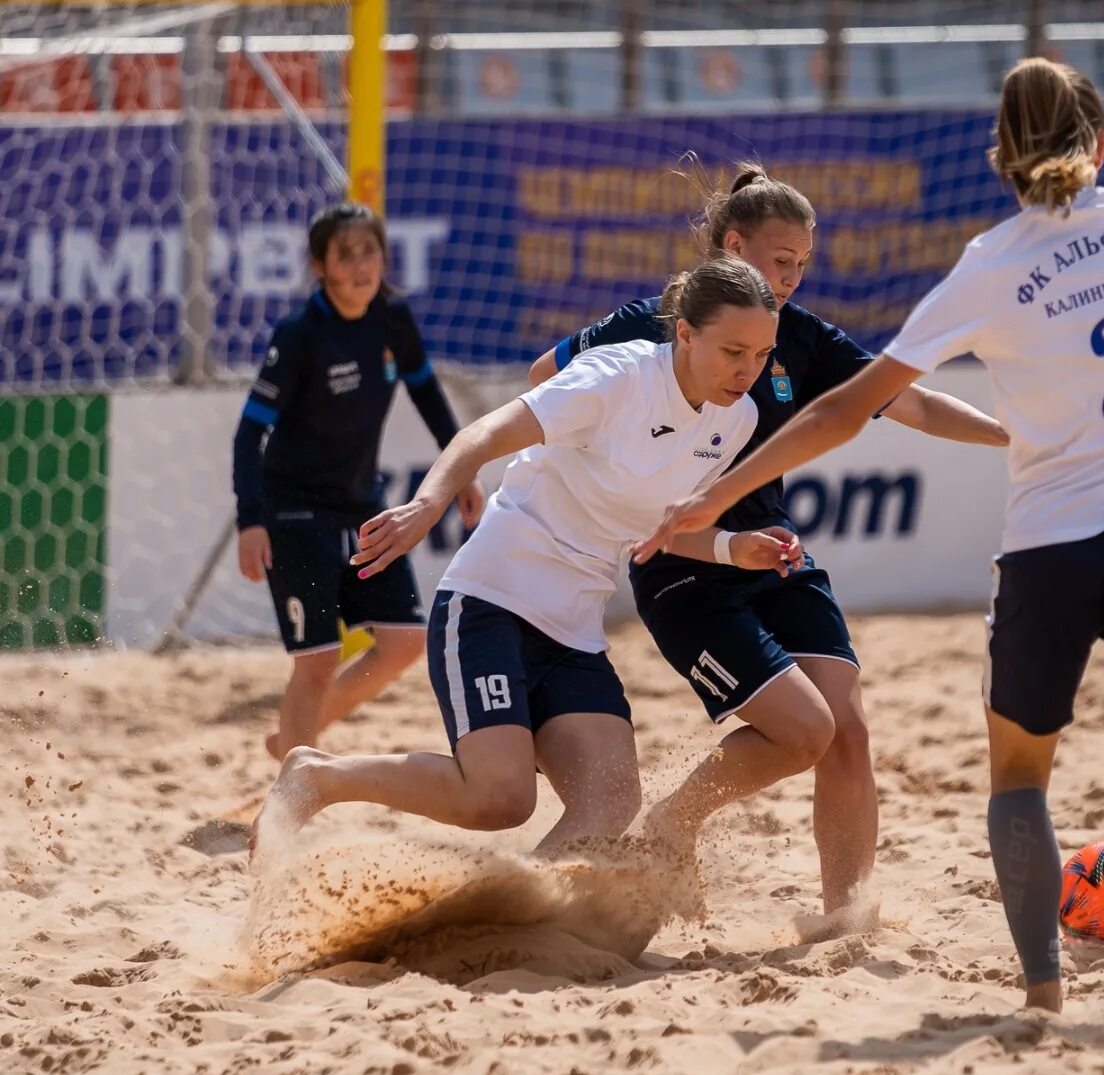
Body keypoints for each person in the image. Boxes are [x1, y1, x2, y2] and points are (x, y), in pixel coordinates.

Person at [634, 58, 1104, 1012]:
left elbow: (850, 410)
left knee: (1014, 785)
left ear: (1001, 155)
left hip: (1051, 552)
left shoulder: (993, 264)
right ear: (1103, 146)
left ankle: (1040, 996)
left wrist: (721, 495)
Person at [528, 164, 1008, 928]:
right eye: (780, 261)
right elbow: (544, 376)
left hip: (775, 557)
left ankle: (842, 919)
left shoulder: (805, 337)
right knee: (802, 731)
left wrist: (1018, 434)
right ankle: (672, 820)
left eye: (802, 265)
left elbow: (911, 401)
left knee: (847, 728)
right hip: (688, 569)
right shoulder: (657, 322)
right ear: (734, 244)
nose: (790, 278)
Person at [253, 257, 804, 860]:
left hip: (574, 633)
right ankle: (318, 776)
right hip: (493, 603)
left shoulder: (739, 417)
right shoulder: (615, 378)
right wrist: (428, 504)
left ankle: (520, 921)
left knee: (610, 805)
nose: (747, 371)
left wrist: (730, 547)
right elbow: (485, 433)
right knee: (500, 800)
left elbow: (650, 524)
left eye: (760, 354)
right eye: (733, 352)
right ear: (686, 332)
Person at [232, 203, 486, 763]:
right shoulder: (301, 334)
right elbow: (249, 434)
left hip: (363, 508)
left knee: (402, 643)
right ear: (320, 266)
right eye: (344, 255)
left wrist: (462, 470)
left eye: (369, 250)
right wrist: (251, 520)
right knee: (317, 661)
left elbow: (428, 396)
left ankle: (295, 736)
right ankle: (294, 784)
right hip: (296, 514)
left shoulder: (392, 317)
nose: (360, 264)